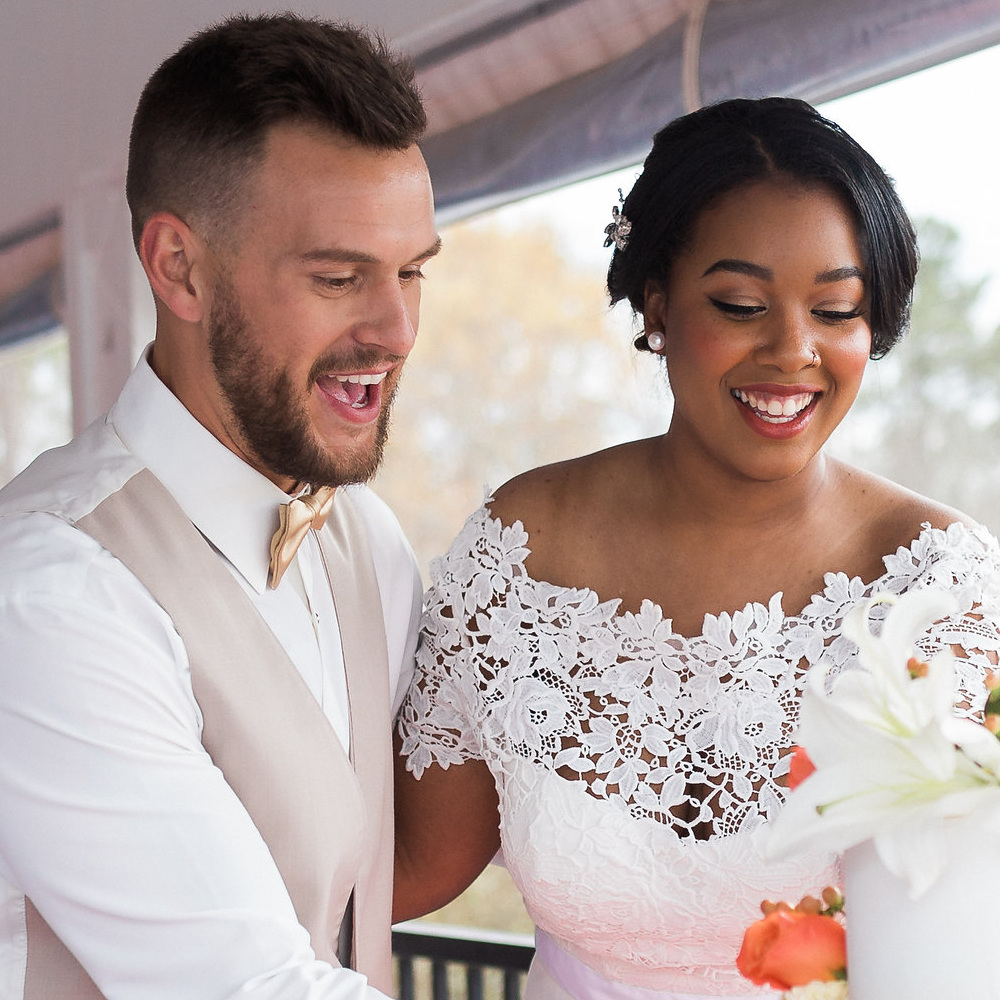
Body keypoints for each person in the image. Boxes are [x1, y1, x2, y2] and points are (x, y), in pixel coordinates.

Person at [394, 97, 1000, 999]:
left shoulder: (942, 581)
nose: (794, 351)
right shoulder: (522, 547)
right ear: (658, 305)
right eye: (742, 304)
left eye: (837, 309)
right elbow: (413, 862)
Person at [0, 14, 439, 1000]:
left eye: (412, 270)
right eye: (339, 277)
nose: (397, 329)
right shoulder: (45, 592)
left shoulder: (366, 540)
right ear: (179, 269)